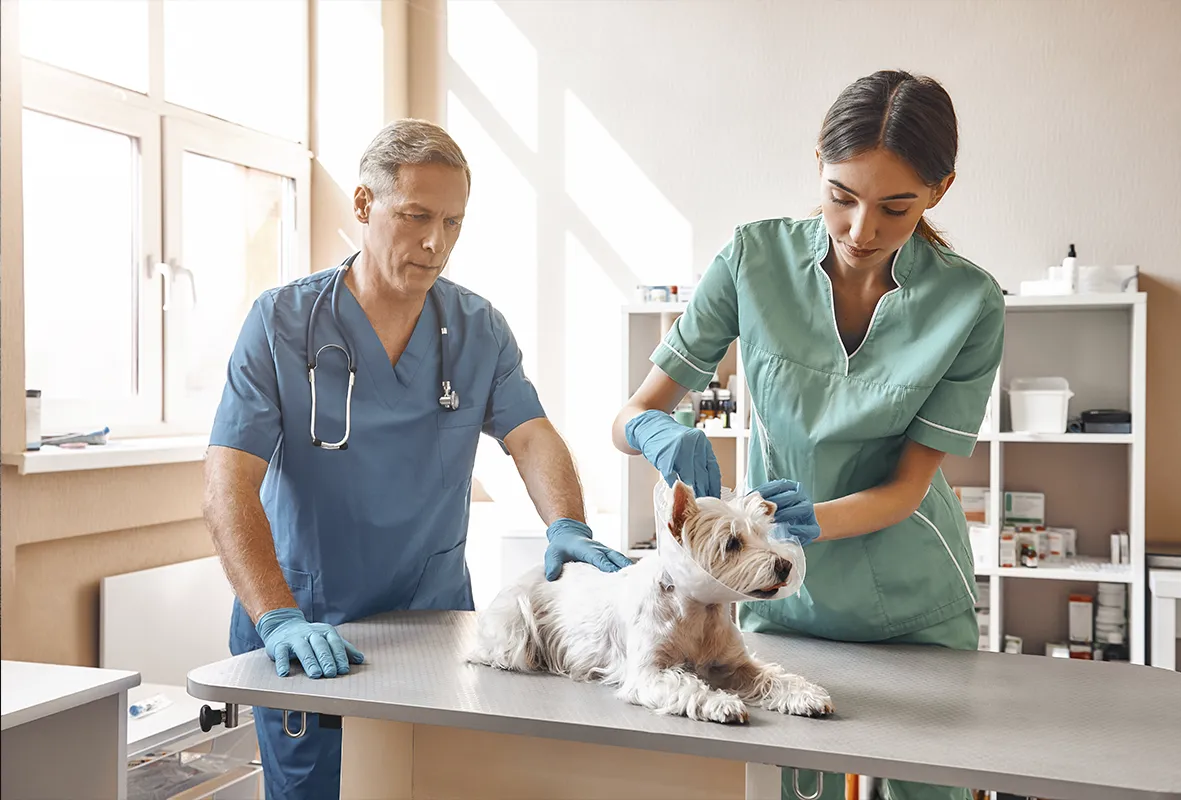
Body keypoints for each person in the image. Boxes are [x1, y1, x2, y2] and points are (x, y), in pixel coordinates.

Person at [202, 118, 631, 799]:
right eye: (417, 216)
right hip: (310, 626)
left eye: (454, 222)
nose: (436, 243)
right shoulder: (282, 323)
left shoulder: (477, 328)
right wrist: (276, 615)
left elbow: (531, 435)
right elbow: (229, 483)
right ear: (366, 205)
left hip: (432, 629)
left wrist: (567, 525)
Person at [613, 70, 1003, 800]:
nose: (862, 230)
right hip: (778, 602)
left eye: (896, 207)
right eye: (840, 196)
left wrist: (804, 526)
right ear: (817, 167)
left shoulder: (968, 301)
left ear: (939, 190)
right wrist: (654, 433)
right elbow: (629, 416)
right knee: (785, 783)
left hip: (910, 601)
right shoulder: (752, 260)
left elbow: (908, 487)